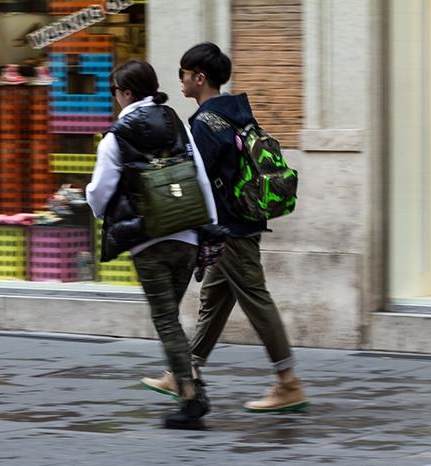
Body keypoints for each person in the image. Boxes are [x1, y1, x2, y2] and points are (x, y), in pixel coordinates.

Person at [140, 42, 308, 413]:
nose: (180, 79)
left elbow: (195, 178)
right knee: (214, 299)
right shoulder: (237, 113)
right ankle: (185, 371)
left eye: (184, 73)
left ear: (199, 78)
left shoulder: (204, 123)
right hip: (239, 220)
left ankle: (288, 381)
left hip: (229, 226)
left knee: (256, 299)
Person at [86, 59, 218, 430]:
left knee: (165, 319)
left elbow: (100, 192)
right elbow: (200, 174)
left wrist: (99, 211)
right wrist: (207, 225)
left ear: (126, 92)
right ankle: (188, 378)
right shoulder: (175, 121)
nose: (114, 99)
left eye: (115, 92)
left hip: (149, 242)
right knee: (170, 318)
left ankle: (192, 397)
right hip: (187, 234)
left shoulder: (116, 134)